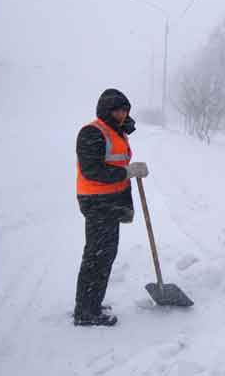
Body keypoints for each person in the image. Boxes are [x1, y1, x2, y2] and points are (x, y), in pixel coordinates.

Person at [73, 89, 149, 326]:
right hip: (97, 202)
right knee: (97, 256)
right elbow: (92, 170)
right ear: (106, 110)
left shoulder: (117, 133)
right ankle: (86, 311)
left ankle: (91, 303)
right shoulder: (92, 132)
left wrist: (129, 170)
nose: (122, 114)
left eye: (125, 109)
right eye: (117, 109)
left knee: (105, 254)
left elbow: (115, 162)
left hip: (110, 201)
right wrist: (126, 172)